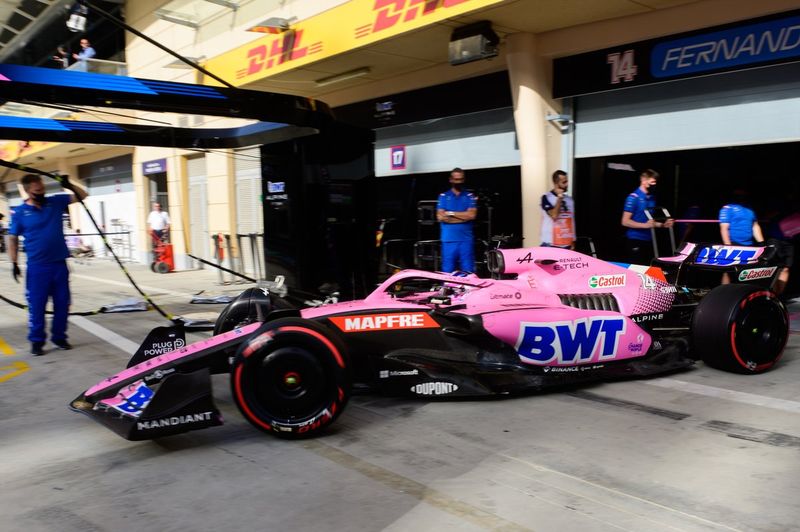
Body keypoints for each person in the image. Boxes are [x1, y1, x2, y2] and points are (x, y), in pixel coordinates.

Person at [7, 173, 88, 356]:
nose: (41, 193)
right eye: (37, 191)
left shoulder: (55, 202)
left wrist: (69, 184)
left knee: (63, 304)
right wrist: (14, 263)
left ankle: (59, 338)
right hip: (37, 268)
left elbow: (83, 195)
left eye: (42, 189)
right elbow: (12, 238)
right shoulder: (20, 213)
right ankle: (37, 341)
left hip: (59, 265)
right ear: (28, 191)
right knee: (37, 307)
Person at [621, 169, 673, 264]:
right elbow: (625, 221)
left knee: (649, 268)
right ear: (644, 180)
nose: (654, 184)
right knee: (637, 268)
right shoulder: (633, 197)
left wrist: (663, 225)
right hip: (635, 239)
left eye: (655, 182)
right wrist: (645, 225)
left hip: (649, 239)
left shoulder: (651, 198)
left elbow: (649, 222)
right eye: (652, 181)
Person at [436, 168, 477, 272]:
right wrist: (463, 217)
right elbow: (440, 217)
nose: (458, 181)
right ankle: (447, 288)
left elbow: (471, 215)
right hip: (449, 240)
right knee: (447, 271)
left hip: (465, 240)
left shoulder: (469, 197)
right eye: (456, 179)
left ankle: (470, 289)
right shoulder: (444, 197)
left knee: (468, 271)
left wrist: (450, 213)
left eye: (461, 179)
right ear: (451, 180)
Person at [540, 170, 575, 248]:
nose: (567, 184)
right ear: (556, 183)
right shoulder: (546, 197)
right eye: (564, 182)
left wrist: (573, 240)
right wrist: (559, 198)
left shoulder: (570, 200)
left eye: (567, 181)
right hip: (550, 244)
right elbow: (554, 215)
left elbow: (571, 221)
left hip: (566, 244)